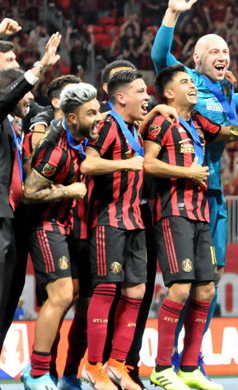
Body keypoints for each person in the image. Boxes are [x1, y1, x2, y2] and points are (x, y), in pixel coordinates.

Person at [142, 64, 238, 390]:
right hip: (174, 212)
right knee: (181, 288)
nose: (192, 86)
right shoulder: (162, 119)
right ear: (169, 92)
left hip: (200, 215)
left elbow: (232, 133)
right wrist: (189, 175)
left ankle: (188, 366)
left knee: (207, 288)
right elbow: (149, 163)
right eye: (185, 82)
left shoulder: (197, 122)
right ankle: (160, 367)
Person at [151, 0, 238, 371]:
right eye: (214, 50)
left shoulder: (226, 95)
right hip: (182, 195)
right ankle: (170, 357)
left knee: (209, 282)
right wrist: (173, 14)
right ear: (195, 59)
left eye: (226, 50)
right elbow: (159, 54)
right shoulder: (187, 85)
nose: (222, 55)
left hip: (215, 196)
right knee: (184, 283)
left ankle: (194, 358)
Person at [79, 69, 169, 390]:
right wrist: (125, 164)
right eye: (141, 92)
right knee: (106, 291)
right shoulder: (106, 124)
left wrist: (160, 110)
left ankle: (118, 362)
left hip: (135, 221)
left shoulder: (133, 127)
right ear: (121, 97)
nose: (147, 97)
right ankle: (92, 365)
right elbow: (87, 164)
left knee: (137, 292)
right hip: (109, 220)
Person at [21, 81, 102, 390]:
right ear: (71, 117)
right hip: (45, 225)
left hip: (63, 226)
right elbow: (30, 191)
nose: (97, 117)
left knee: (69, 297)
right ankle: (38, 372)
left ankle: (52, 372)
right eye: (91, 112)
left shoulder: (78, 137)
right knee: (61, 296)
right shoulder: (55, 147)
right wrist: (69, 189)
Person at [0, 31, 59, 359]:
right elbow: (9, 97)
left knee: (8, 298)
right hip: (0, 217)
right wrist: (39, 66)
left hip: (13, 220)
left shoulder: (17, 121)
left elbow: (49, 110)